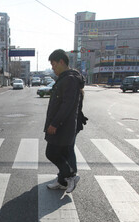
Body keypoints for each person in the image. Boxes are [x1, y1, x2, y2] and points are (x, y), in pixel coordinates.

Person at [44, 49, 85, 193]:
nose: (53, 68)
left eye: (54, 65)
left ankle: (70, 176)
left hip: (63, 126)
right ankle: (63, 181)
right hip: (63, 124)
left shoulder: (70, 79)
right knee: (64, 152)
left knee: (52, 153)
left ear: (62, 62)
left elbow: (67, 105)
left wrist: (55, 123)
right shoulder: (66, 78)